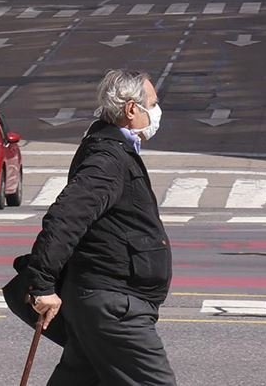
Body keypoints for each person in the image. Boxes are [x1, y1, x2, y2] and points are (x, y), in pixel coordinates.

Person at [27, 69, 177, 386]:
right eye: (153, 103)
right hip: (114, 306)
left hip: (103, 302)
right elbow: (66, 216)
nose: (157, 110)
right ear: (132, 109)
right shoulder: (107, 158)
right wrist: (42, 284)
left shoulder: (111, 149)